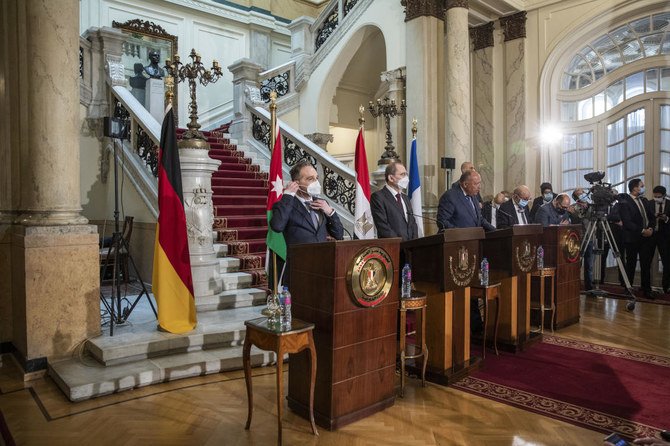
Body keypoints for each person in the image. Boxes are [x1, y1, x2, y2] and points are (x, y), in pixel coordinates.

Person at [269, 160, 344, 287]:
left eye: (316, 178)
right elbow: (277, 226)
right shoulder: (286, 204)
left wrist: (330, 212)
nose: (316, 183)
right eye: (310, 179)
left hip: (323, 267)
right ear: (296, 183)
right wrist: (288, 196)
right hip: (298, 269)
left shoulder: (322, 204)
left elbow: (339, 234)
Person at [618, 178, 656, 298]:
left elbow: (651, 217)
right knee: (631, 264)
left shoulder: (644, 200)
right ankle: (628, 289)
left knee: (646, 264)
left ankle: (646, 289)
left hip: (646, 238)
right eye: (641, 185)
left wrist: (650, 229)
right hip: (632, 238)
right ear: (635, 187)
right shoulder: (625, 201)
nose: (643, 187)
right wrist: (642, 230)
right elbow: (627, 221)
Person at [370, 161, 418, 241]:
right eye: (402, 174)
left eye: (406, 174)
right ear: (391, 178)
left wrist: (414, 243)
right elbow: (383, 227)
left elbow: (412, 223)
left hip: (410, 247)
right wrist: (401, 243)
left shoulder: (405, 198)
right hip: (393, 247)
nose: (406, 178)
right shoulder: (378, 197)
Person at [569, 187, 594, 291]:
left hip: (590, 238)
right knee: (577, 264)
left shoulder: (592, 206)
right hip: (578, 239)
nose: (583, 194)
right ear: (576, 198)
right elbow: (579, 217)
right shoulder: (572, 208)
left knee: (590, 266)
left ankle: (589, 288)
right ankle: (574, 286)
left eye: (583, 192)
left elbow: (591, 217)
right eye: (580, 194)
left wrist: (589, 206)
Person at [649, 186, 670, 293]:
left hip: (665, 237)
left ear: (664, 196)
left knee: (667, 263)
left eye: (659, 197)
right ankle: (646, 286)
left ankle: (666, 287)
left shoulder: (669, 204)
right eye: (655, 196)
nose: (656, 198)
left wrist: (666, 218)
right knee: (646, 261)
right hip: (651, 236)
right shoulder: (649, 203)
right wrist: (653, 216)